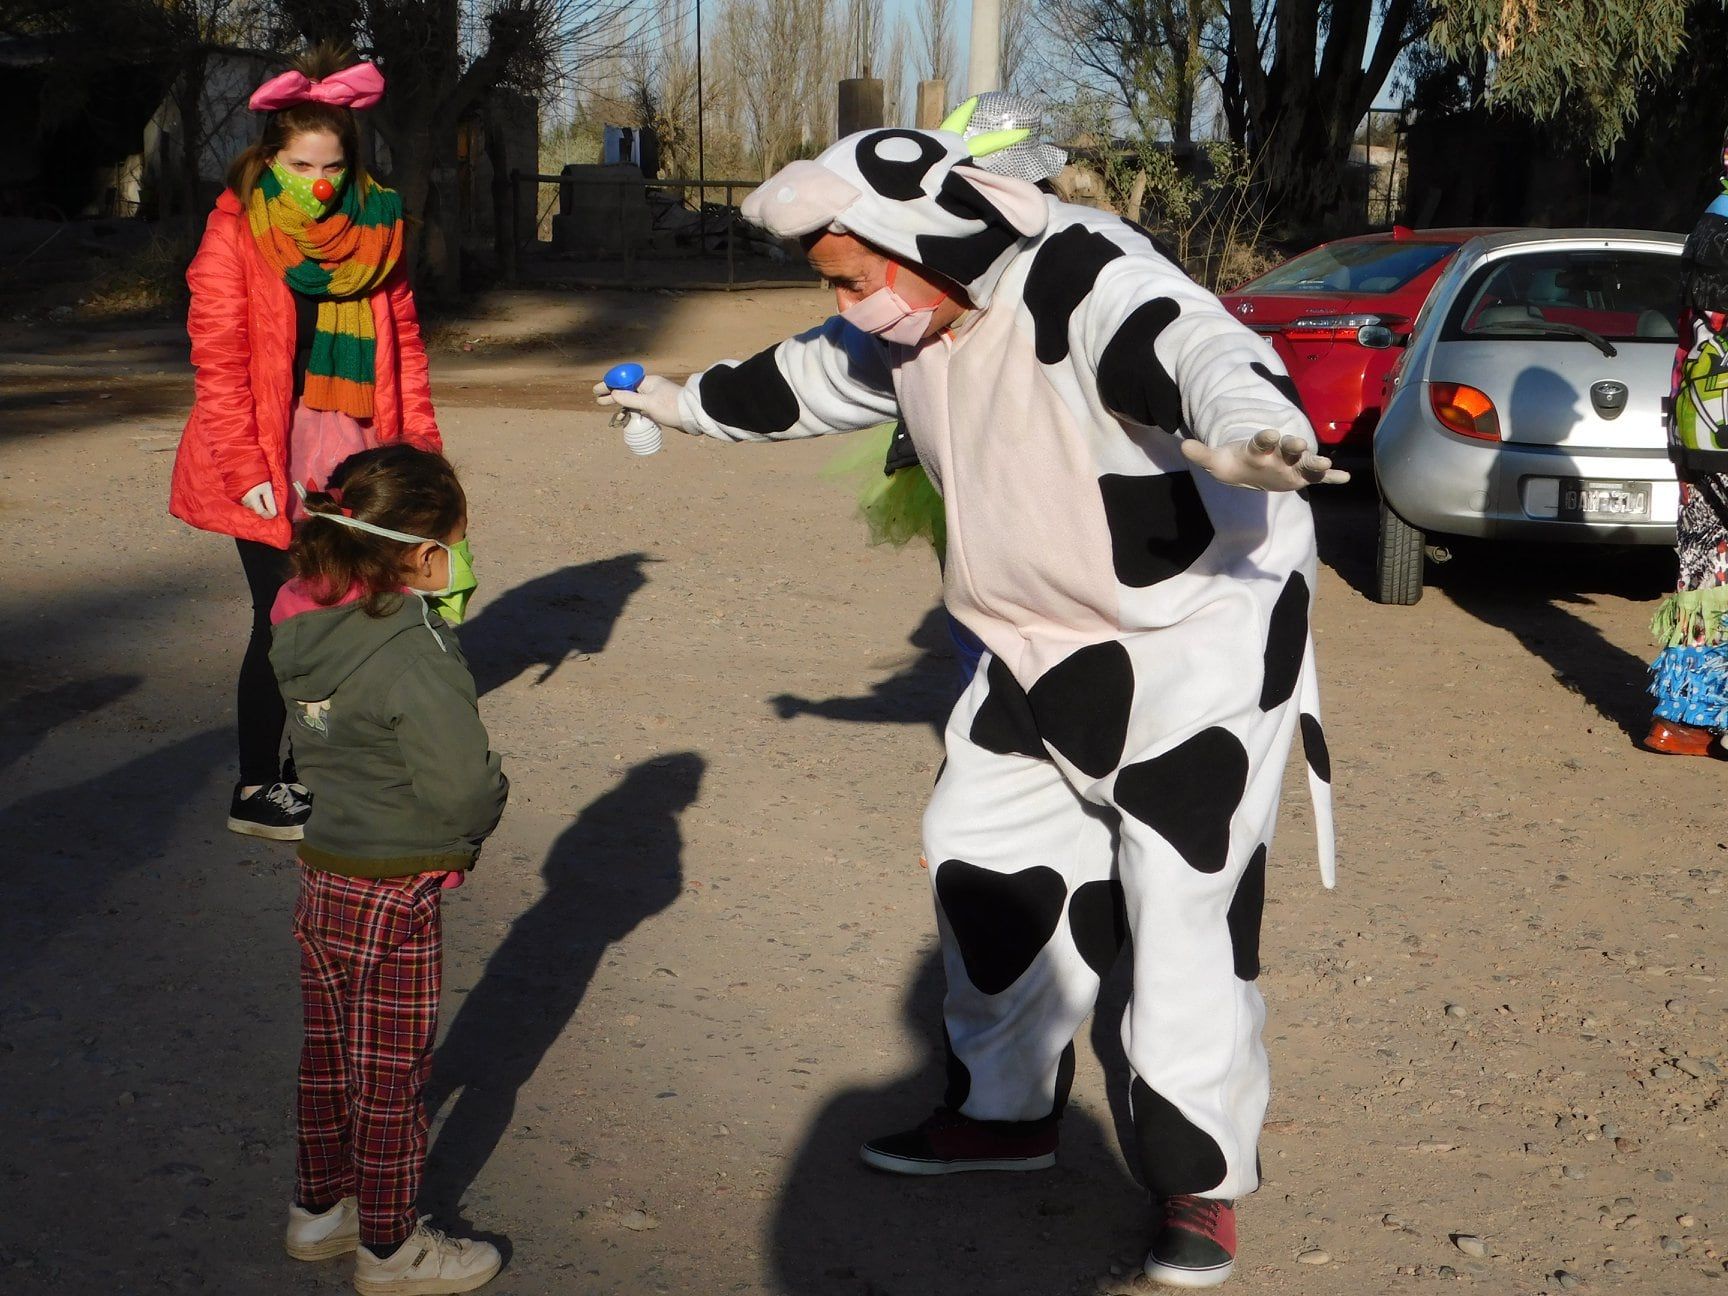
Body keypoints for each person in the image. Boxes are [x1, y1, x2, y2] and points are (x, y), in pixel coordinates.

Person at [598, 126, 1342, 1288]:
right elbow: (810, 375)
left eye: (849, 277)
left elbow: (1191, 343)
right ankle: (1002, 1114)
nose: (845, 302)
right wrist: (682, 403)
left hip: (1193, 643)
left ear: (919, 242)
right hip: (1031, 647)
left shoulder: (1083, 271)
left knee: (1183, 904)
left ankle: (1198, 1178)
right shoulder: (916, 314)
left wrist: (1252, 427)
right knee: (979, 850)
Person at [169, 43, 443, 839]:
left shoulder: (378, 230)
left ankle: (306, 770)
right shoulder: (236, 233)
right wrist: (245, 465)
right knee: (283, 615)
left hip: (354, 447)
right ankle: (257, 785)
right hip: (262, 452)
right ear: (269, 157)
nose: (315, 184)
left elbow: (405, 350)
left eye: (329, 166)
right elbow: (217, 359)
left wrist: (419, 452)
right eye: (298, 165)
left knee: (344, 610)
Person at [271, 444, 506, 1295]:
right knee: (390, 1076)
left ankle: (318, 1209)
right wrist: (483, 812)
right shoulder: (415, 647)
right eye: (452, 539)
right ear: (418, 552)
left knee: (329, 1055)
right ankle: (390, 1245)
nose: (459, 556)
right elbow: (462, 787)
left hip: (326, 868)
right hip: (400, 877)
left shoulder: (297, 618)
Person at [1647, 132, 1728, 755]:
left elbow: (1686, 341)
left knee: (1703, 567)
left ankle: (1686, 720)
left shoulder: (1708, 223)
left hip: (1698, 424)